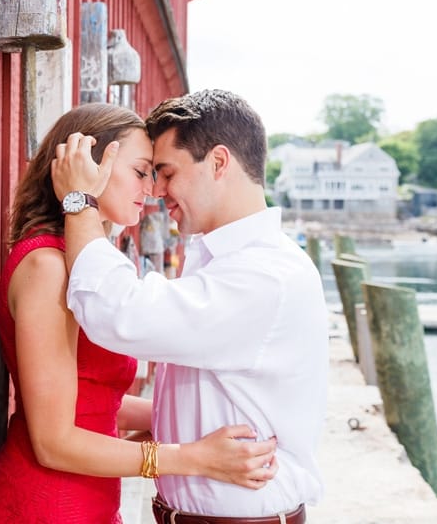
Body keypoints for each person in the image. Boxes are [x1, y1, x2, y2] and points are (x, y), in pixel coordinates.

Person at [0, 103, 280, 524]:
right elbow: (53, 441)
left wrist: (184, 419)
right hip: (45, 503)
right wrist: (192, 457)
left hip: (90, 500)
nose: (154, 189)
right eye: (141, 172)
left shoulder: (84, 265)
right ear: (91, 165)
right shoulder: (46, 267)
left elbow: (93, 402)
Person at [50, 90, 328, 523]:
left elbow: (118, 314)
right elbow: (207, 392)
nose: (157, 191)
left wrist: (79, 203)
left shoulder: (264, 275)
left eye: (166, 172)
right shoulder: (223, 258)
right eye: (149, 173)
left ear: (219, 163)